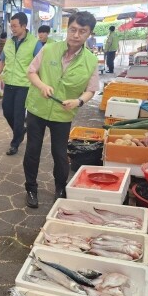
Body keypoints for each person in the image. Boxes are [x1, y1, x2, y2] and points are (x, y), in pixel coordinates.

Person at [23, 11, 99, 209]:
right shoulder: (49, 49)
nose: (76, 35)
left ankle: (60, 187)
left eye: (82, 31)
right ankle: (31, 188)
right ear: (68, 29)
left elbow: (91, 90)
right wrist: (42, 86)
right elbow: (31, 72)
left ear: (89, 34)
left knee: (59, 153)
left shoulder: (90, 61)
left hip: (63, 113)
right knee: (32, 150)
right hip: (37, 108)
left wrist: (78, 101)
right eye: (73, 29)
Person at [0, 12, 39, 156]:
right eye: (11, 26)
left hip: (24, 84)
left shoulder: (35, 43)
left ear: (24, 26)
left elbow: (40, 64)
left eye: (15, 26)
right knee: (7, 111)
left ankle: (15, 142)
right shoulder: (9, 42)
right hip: (9, 82)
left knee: (18, 114)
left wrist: (40, 84)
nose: (13, 29)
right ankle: (20, 131)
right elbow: (2, 62)